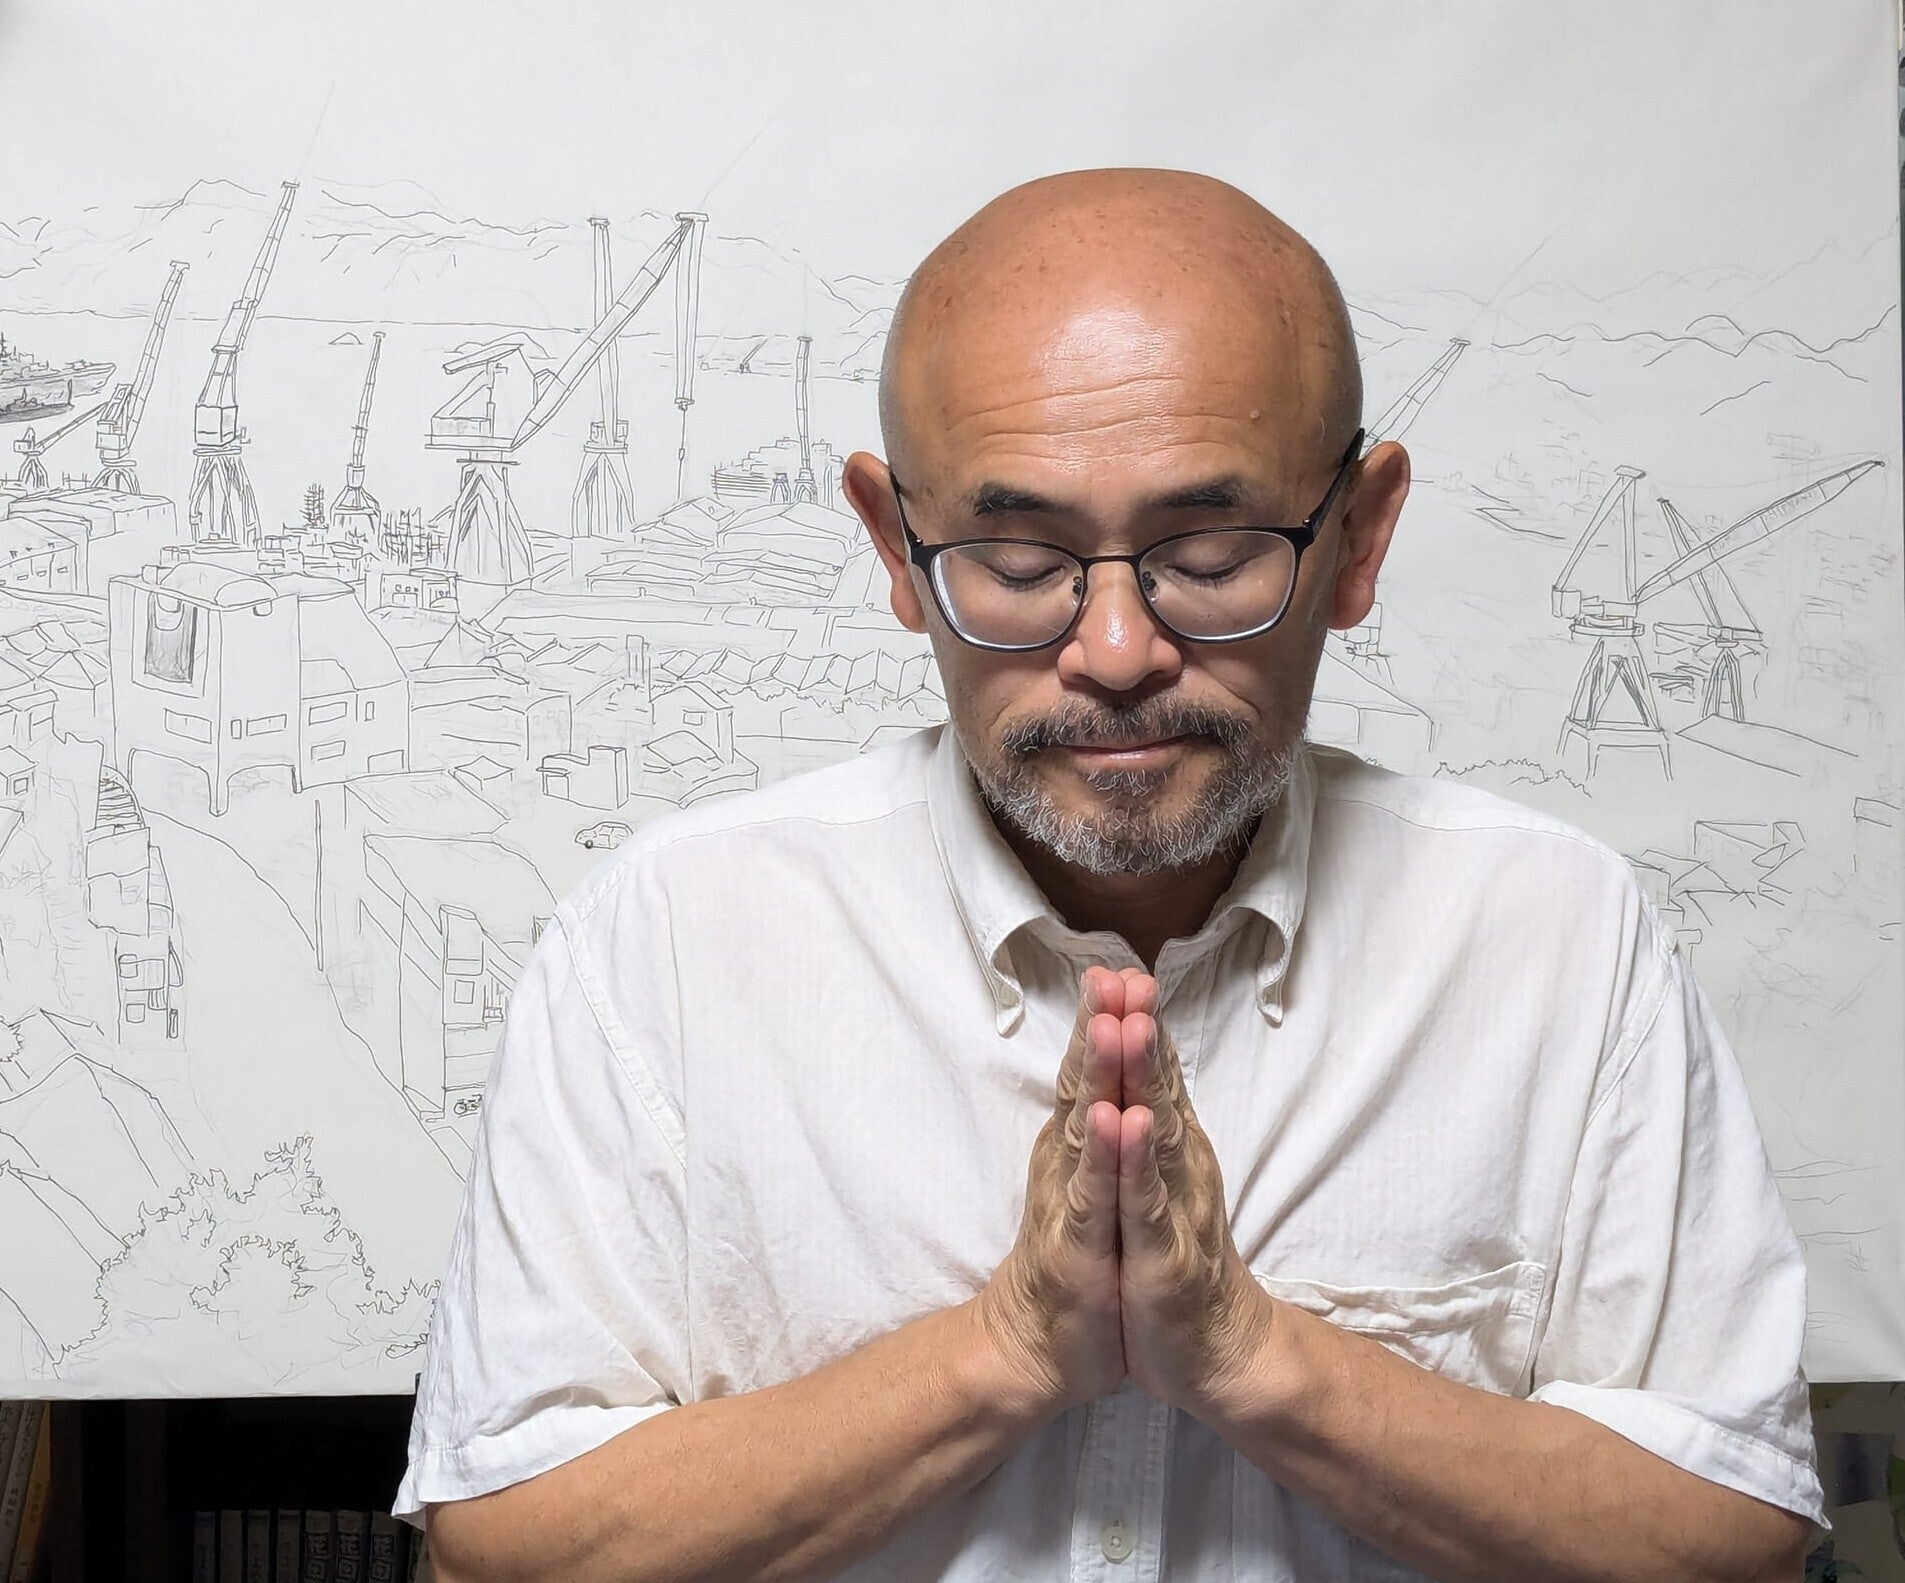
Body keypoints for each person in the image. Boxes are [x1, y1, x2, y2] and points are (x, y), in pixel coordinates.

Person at [394, 168, 1829, 1581]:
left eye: (1209, 553)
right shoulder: (666, 940)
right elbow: (496, 1554)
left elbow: (1736, 1542)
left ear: (1358, 539)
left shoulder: (1557, 936)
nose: (1119, 651)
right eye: (1020, 563)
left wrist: (1254, 1358)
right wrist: (1009, 1347)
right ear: (896, 549)